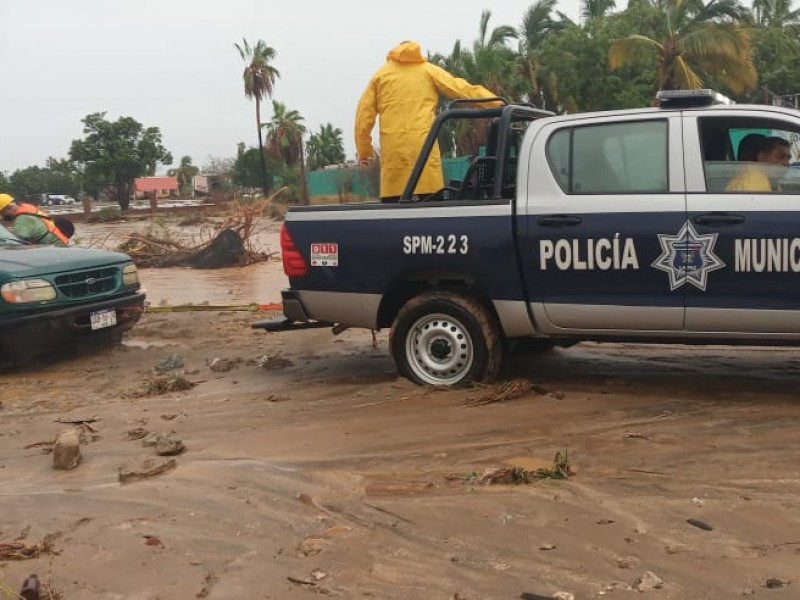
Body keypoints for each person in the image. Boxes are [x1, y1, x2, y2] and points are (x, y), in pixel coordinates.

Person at [355, 40, 500, 202]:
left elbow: (363, 117)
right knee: (433, 211)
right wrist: (499, 104)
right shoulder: (428, 71)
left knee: (394, 211)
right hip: (424, 149)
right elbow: (462, 88)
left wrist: (364, 153)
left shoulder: (380, 76)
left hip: (394, 156)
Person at [0, 193, 73, 245]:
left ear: (8, 208)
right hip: (60, 242)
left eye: (1, 213)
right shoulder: (25, 207)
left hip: (55, 248)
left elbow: (16, 241)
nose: (2, 216)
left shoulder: (22, 219)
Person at [726, 134, 791, 192]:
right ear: (762, 157)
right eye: (781, 157)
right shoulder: (754, 182)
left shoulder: (769, 180)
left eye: (788, 158)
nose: (787, 164)